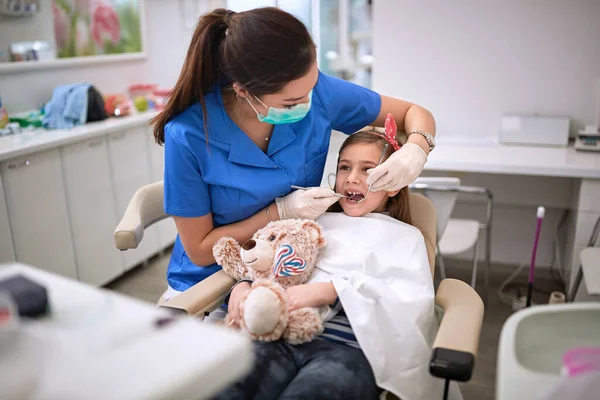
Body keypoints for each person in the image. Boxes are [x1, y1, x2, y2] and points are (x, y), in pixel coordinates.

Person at [152, 7, 437, 323]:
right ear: (243, 91)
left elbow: (415, 113)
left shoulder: (319, 93)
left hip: (288, 267)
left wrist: (416, 149)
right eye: (290, 103)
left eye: (310, 90)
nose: (306, 105)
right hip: (210, 283)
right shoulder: (188, 136)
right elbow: (201, 251)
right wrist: (280, 212)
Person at [211, 128, 426, 400]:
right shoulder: (312, 224)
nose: (351, 178)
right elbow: (271, 262)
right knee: (228, 388)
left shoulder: (407, 238)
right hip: (279, 338)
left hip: (348, 351)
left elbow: (409, 303)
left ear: (393, 181)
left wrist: (333, 291)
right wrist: (244, 285)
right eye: (344, 167)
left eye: (367, 169)